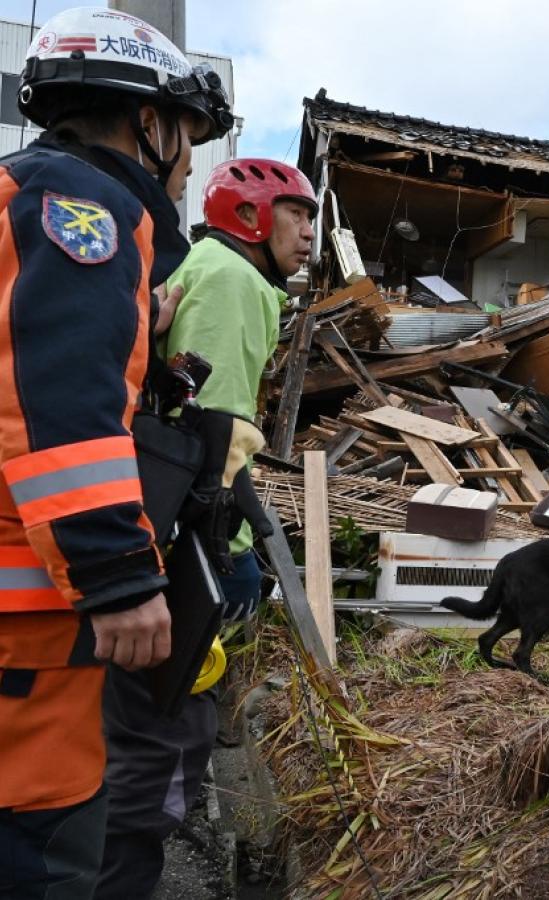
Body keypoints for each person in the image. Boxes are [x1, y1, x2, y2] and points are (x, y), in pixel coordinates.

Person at [0, 7, 231, 899]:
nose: (184, 165)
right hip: (28, 642)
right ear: (151, 122)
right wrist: (120, 575)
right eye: (187, 139)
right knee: (46, 856)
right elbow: (56, 401)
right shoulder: (83, 210)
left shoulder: (25, 197)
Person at [96, 157, 316, 898]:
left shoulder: (221, 270)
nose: (310, 232)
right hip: (184, 537)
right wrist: (224, 544)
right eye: (297, 214)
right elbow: (208, 433)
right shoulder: (233, 280)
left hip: (165, 522)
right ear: (251, 218)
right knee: (166, 728)